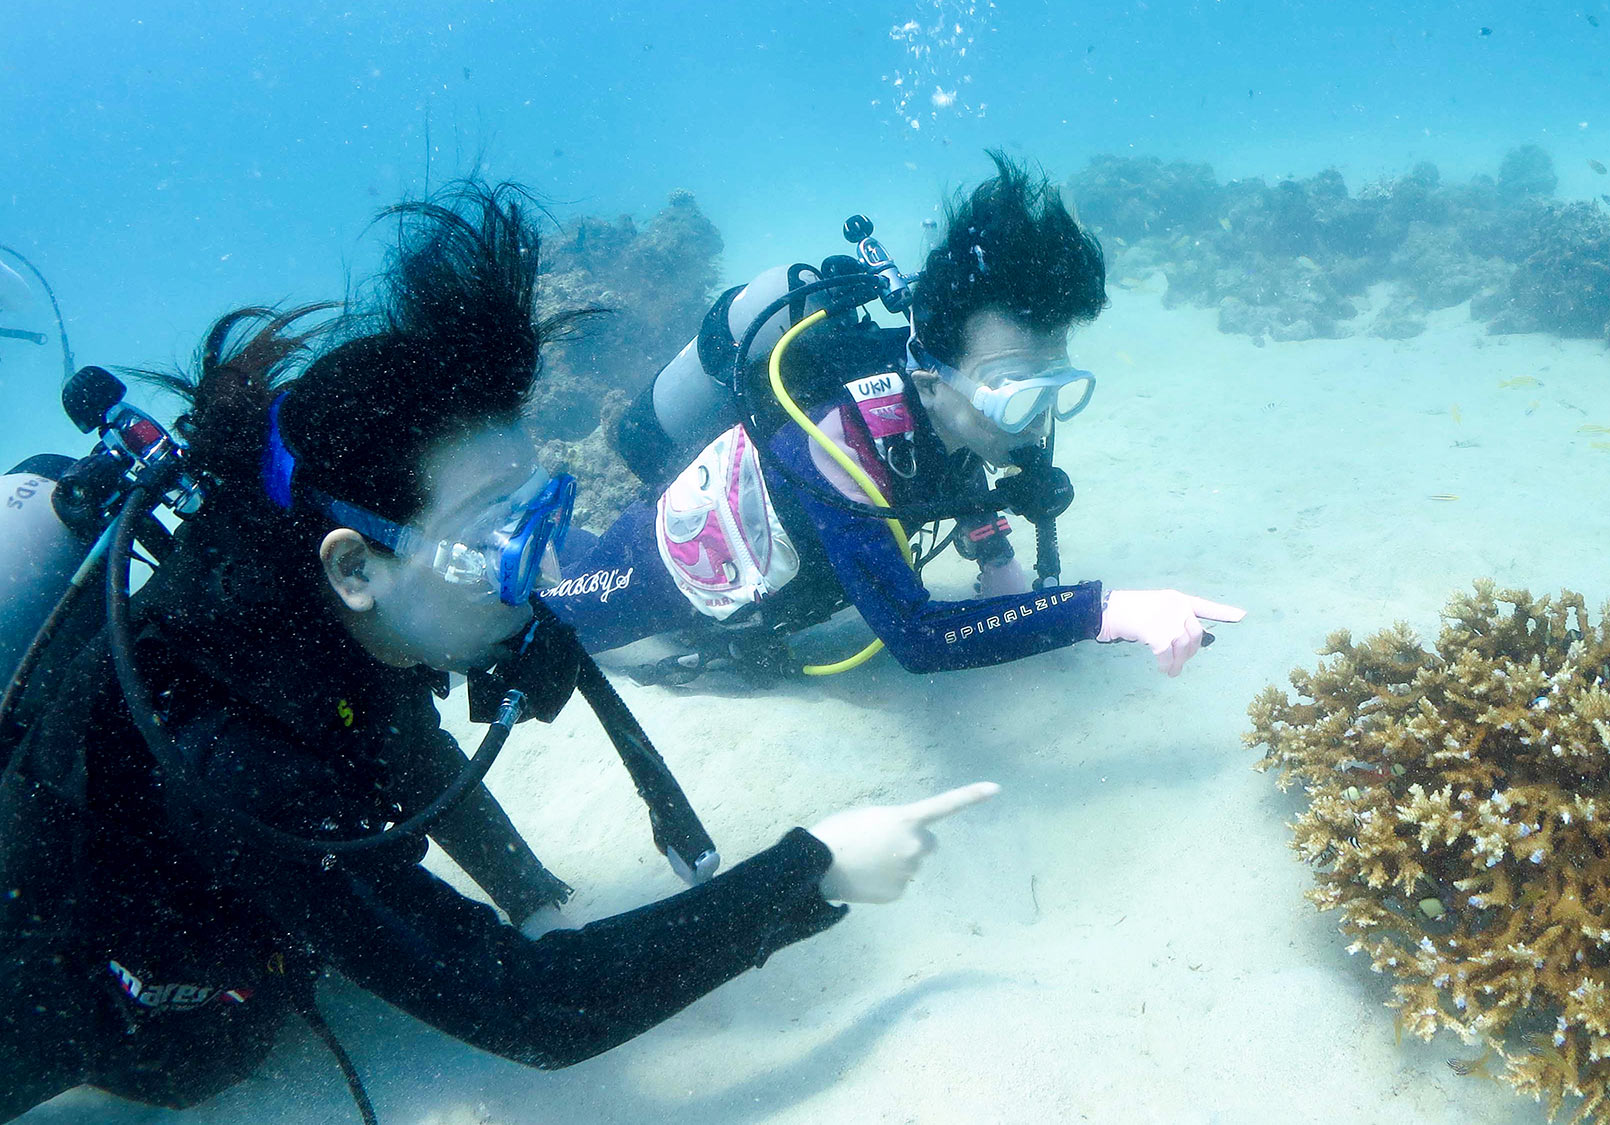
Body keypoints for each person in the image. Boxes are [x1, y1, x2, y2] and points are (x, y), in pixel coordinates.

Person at [0, 183, 993, 1122]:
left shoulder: (316, 612)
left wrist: (533, 898)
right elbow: (534, 1009)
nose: (532, 566)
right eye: (492, 535)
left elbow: (399, 741)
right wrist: (814, 871)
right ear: (354, 566)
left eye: (537, 509)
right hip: (87, 1018)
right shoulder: (228, 752)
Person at [548, 152, 1243, 684]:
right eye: (1014, 395)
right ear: (928, 383)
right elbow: (918, 637)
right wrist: (1103, 611)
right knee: (543, 625)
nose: (1036, 425)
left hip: (776, 594)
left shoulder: (958, 413)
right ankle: (520, 535)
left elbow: (956, 467)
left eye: (1053, 390)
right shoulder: (837, 443)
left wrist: (996, 555)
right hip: (668, 568)